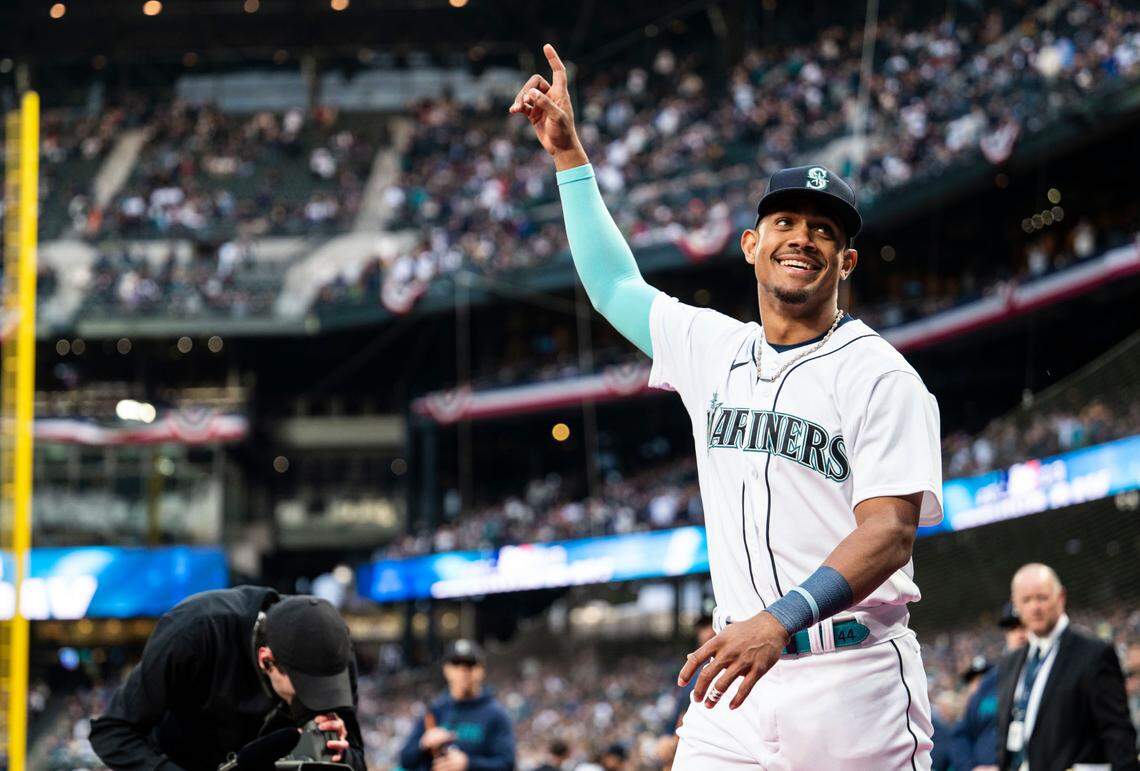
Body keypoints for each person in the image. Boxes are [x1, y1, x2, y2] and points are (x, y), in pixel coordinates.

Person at [511, 44, 943, 769]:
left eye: (825, 230)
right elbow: (614, 287)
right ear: (750, 245)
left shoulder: (882, 376)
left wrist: (781, 619)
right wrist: (569, 159)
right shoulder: (712, 347)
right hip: (735, 678)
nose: (802, 237)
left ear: (846, 262)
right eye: (786, 222)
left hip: (853, 680)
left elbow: (890, 531)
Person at [89, 586, 367, 770]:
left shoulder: (330, 648)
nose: (318, 701)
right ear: (266, 660)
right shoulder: (195, 632)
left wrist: (340, 754)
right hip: (181, 759)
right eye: (307, 688)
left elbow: (355, 757)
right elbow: (112, 731)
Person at [995, 563, 1138, 770]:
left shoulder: (1093, 654)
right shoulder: (1011, 662)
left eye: (1042, 598)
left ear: (1060, 597)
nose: (1035, 607)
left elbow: (1118, 733)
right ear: (1015, 603)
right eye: (1026, 600)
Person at [398, 639, 515, 771]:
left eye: (470, 664)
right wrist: (423, 744)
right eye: (456, 664)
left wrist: (468, 764)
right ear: (446, 669)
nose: (463, 670)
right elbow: (405, 760)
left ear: (481, 670)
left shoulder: (496, 714)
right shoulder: (436, 710)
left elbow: (507, 764)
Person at [951, 603, 1025, 771]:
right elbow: (961, 735)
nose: (1020, 634)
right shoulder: (990, 681)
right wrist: (972, 768)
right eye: (1012, 628)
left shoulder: (1044, 676)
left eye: (1024, 626)